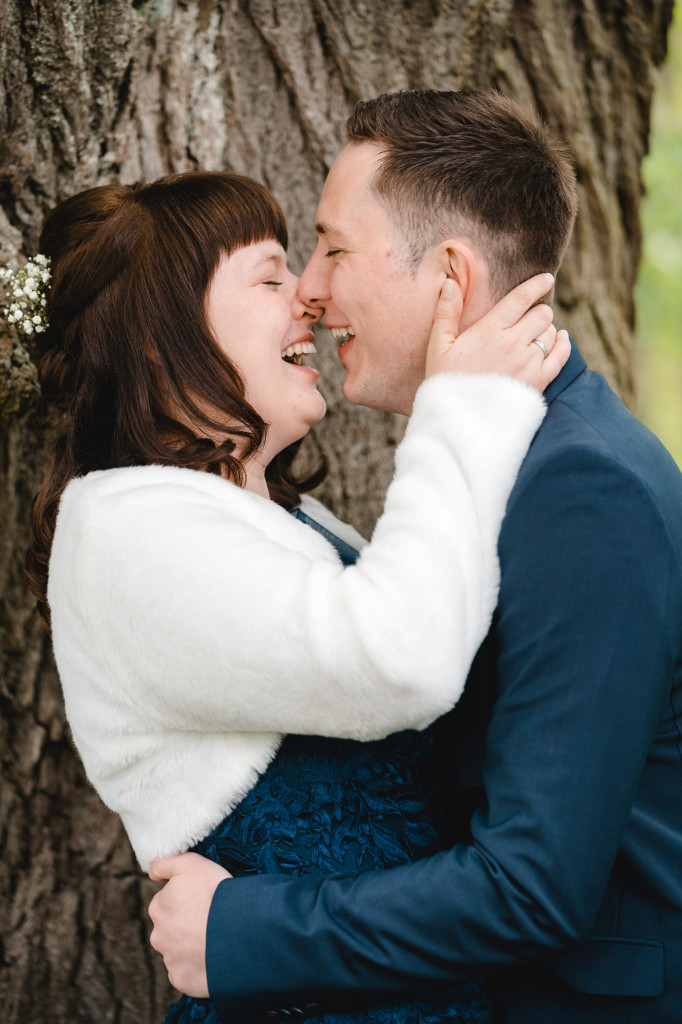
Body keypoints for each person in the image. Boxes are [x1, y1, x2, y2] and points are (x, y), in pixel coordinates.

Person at [147, 90, 682, 1024]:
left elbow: (535, 885)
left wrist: (244, 930)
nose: (309, 290)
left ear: (449, 278)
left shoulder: (580, 488)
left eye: (334, 248)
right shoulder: (516, 455)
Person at [23, 169, 566, 1024]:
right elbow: (402, 659)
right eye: (270, 277)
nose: (307, 299)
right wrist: (465, 408)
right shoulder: (126, 533)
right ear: (160, 337)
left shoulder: (270, 515)